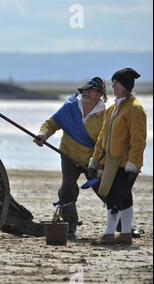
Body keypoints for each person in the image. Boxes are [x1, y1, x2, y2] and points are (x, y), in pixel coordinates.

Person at [33, 77, 107, 239]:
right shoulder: (71, 106)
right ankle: (71, 227)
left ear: (99, 95)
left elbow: (106, 142)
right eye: (85, 90)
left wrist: (100, 164)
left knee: (104, 191)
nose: (86, 93)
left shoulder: (105, 114)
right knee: (66, 189)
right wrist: (43, 135)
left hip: (92, 160)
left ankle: (123, 227)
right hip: (68, 155)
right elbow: (52, 123)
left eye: (91, 91)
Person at [89, 68, 146, 245]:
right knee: (125, 198)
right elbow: (101, 138)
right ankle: (126, 235)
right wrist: (95, 160)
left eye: (117, 82)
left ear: (126, 86)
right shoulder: (112, 108)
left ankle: (108, 234)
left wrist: (133, 164)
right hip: (109, 163)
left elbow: (138, 140)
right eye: (113, 82)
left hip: (126, 164)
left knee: (114, 198)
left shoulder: (136, 109)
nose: (112, 85)